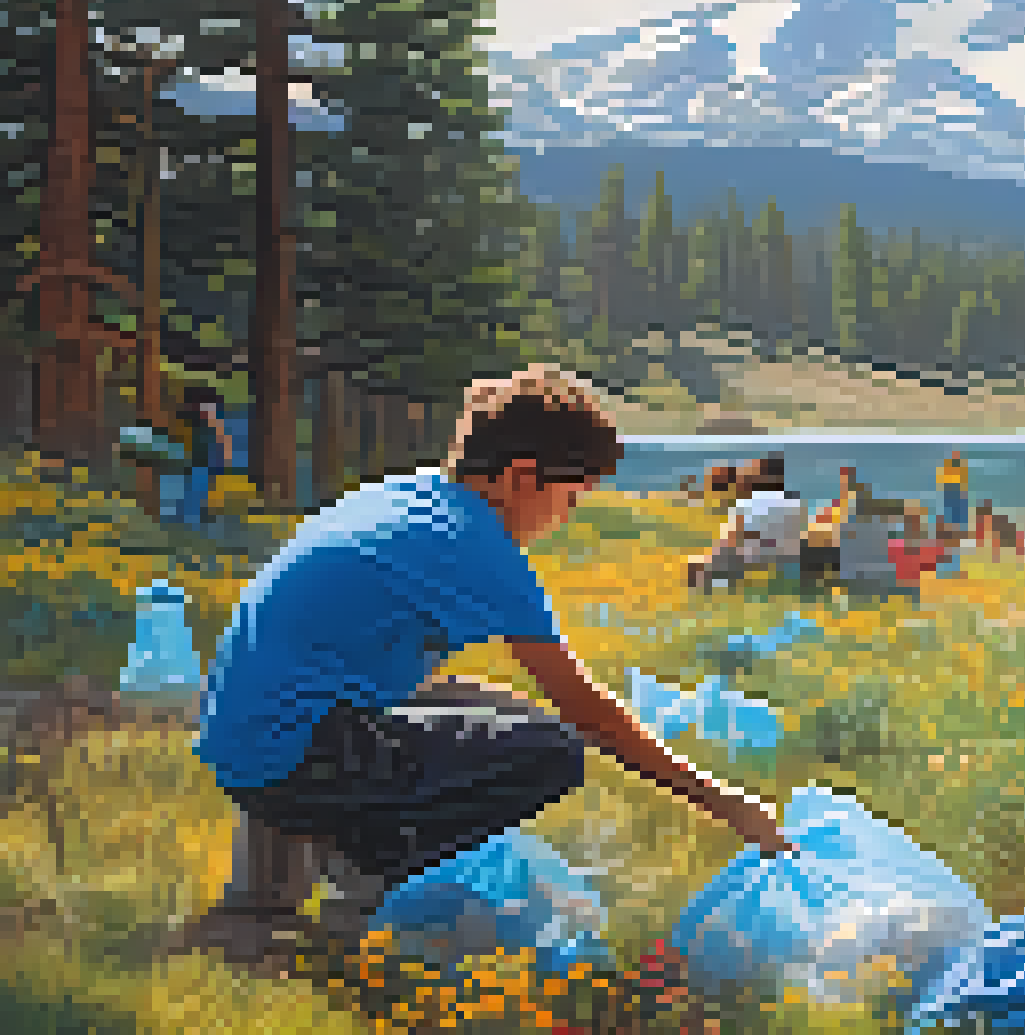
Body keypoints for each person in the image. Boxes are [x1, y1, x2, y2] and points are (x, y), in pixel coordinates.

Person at [169, 365, 793, 969]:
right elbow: (585, 710)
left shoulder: (408, 498)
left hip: (244, 733)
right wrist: (726, 801)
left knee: (501, 713)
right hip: (283, 759)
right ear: (522, 477)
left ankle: (280, 890)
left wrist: (477, 706)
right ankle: (369, 896)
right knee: (552, 751)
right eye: (569, 498)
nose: (565, 518)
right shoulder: (476, 546)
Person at [685, 457, 812, 589]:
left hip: (755, 557)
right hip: (790, 557)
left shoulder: (751, 501)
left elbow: (734, 535)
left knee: (702, 565)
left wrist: (712, 557)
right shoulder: (794, 503)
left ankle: (715, 582)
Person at [175, 384, 235, 529]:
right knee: (194, 492)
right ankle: (190, 520)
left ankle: (193, 521)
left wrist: (226, 459)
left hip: (206, 462)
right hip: (200, 462)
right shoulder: (199, 423)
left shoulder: (212, 419)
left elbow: (223, 439)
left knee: (198, 492)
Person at [936, 451, 971, 534]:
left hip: (956, 490)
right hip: (950, 490)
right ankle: (953, 530)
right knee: (951, 511)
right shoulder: (948, 466)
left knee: (958, 511)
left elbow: (965, 479)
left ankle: (958, 530)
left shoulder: (960, 467)